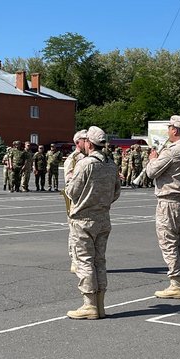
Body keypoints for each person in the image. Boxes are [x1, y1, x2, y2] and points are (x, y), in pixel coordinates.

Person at [65, 126, 120, 319]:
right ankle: (100, 304)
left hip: (83, 219)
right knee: (99, 261)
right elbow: (116, 193)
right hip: (103, 218)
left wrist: (70, 179)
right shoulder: (111, 164)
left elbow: (72, 192)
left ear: (89, 143)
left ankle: (89, 305)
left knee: (84, 262)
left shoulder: (85, 164)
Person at [145, 115, 180, 299]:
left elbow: (151, 172)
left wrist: (153, 159)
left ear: (175, 130)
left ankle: (175, 283)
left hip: (169, 201)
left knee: (168, 242)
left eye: (169, 128)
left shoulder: (173, 151)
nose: (168, 131)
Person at [63, 130, 88, 273]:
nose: (88, 141)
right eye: (85, 139)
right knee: (74, 231)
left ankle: (84, 260)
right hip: (75, 199)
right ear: (78, 142)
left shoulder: (90, 157)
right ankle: (74, 260)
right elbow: (69, 180)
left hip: (88, 199)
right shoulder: (73, 159)